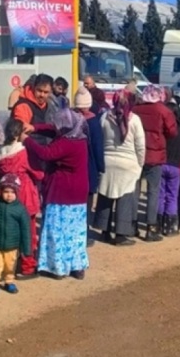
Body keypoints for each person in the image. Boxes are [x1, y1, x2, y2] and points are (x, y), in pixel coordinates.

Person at [23, 109, 90, 279]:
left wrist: (27, 140)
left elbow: (46, 153)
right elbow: (52, 129)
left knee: (56, 229)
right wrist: (35, 128)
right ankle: (76, 266)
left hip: (62, 192)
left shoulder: (67, 143)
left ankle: (57, 267)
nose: (56, 127)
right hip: (79, 193)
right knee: (76, 232)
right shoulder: (79, 137)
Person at [93, 91, 145, 246]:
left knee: (106, 196)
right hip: (128, 164)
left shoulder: (105, 117)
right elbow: (140, 146)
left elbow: (99, 139)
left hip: (108, 162)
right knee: (125, 198)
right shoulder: (135, 120)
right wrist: (140, 164)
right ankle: (121, 234)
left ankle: (104, 230)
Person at [0, 119, 44, 274]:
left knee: (8, 230)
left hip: (5, 193)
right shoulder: (23, 151)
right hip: (24, 193)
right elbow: (38, 173)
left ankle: (6, 264)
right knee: (28, 231)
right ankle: (27, 265)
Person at [133, 85, 178, 241]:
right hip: (155, 155)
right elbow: (172, 132)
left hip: (137, 154)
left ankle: (132, 225)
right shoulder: (164, 111)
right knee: (153, 192)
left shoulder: (135, 109)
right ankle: (150, 228)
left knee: (135, 190)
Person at [74, 87, 105, 242]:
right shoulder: (93, 122)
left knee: (74, 201)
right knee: (86, 201)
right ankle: (84, 234)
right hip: (89, 167)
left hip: (73, 167)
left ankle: (74, 232)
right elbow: (98, 146)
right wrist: (101, 167)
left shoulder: (70, 118)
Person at [158, 102, 180, 235]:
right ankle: (170, 227)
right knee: (172, 196)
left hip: (161, 163)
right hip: (175, 165)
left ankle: (158, 225)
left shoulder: (162, 128)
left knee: (160, 195)